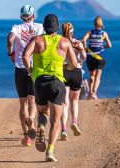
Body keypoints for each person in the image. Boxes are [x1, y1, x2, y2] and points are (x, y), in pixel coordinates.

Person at [22, 14, 77, 162]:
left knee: (42, 112)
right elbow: (74, 63)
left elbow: (25, 56)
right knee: (56, 121)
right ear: (57, 27)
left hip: (40, 82)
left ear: (44, 27)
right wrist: (67, 67)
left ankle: (40, 126)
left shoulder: (37, 40)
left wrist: (30, 71)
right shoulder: (64, 42)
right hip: (57, 83)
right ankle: (50, 152)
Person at [6, 4, 44, 146]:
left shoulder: (16, 28)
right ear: (33, 15)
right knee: (32, 100)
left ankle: (26, 136)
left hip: (20, 67)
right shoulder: (40, 28)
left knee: (22, 102)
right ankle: (32, 120)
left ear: (21, 16)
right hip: (34, 67)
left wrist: (10, 51)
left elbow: (10, 39)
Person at [60, 22, 86, 141]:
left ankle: (64, 129)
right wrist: (81, 49)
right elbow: (84, 57)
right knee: (74, 100)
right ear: (72, 31)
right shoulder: (77, 42)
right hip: (76, 71)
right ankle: (74, 121)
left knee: (64, 103)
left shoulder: (60, 42)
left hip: (64, 70)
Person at [82, 16, 112, 99]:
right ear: (101, 23)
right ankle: (94, 93)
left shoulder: (90, 32)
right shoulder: (104, 33)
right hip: (100, 57)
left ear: (94, 23)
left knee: (91, 75)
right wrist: (102, 47)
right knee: (98, 76)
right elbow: (109, 45)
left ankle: (89, 93)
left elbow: (83, 40)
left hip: (90, 56)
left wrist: (85, 49)